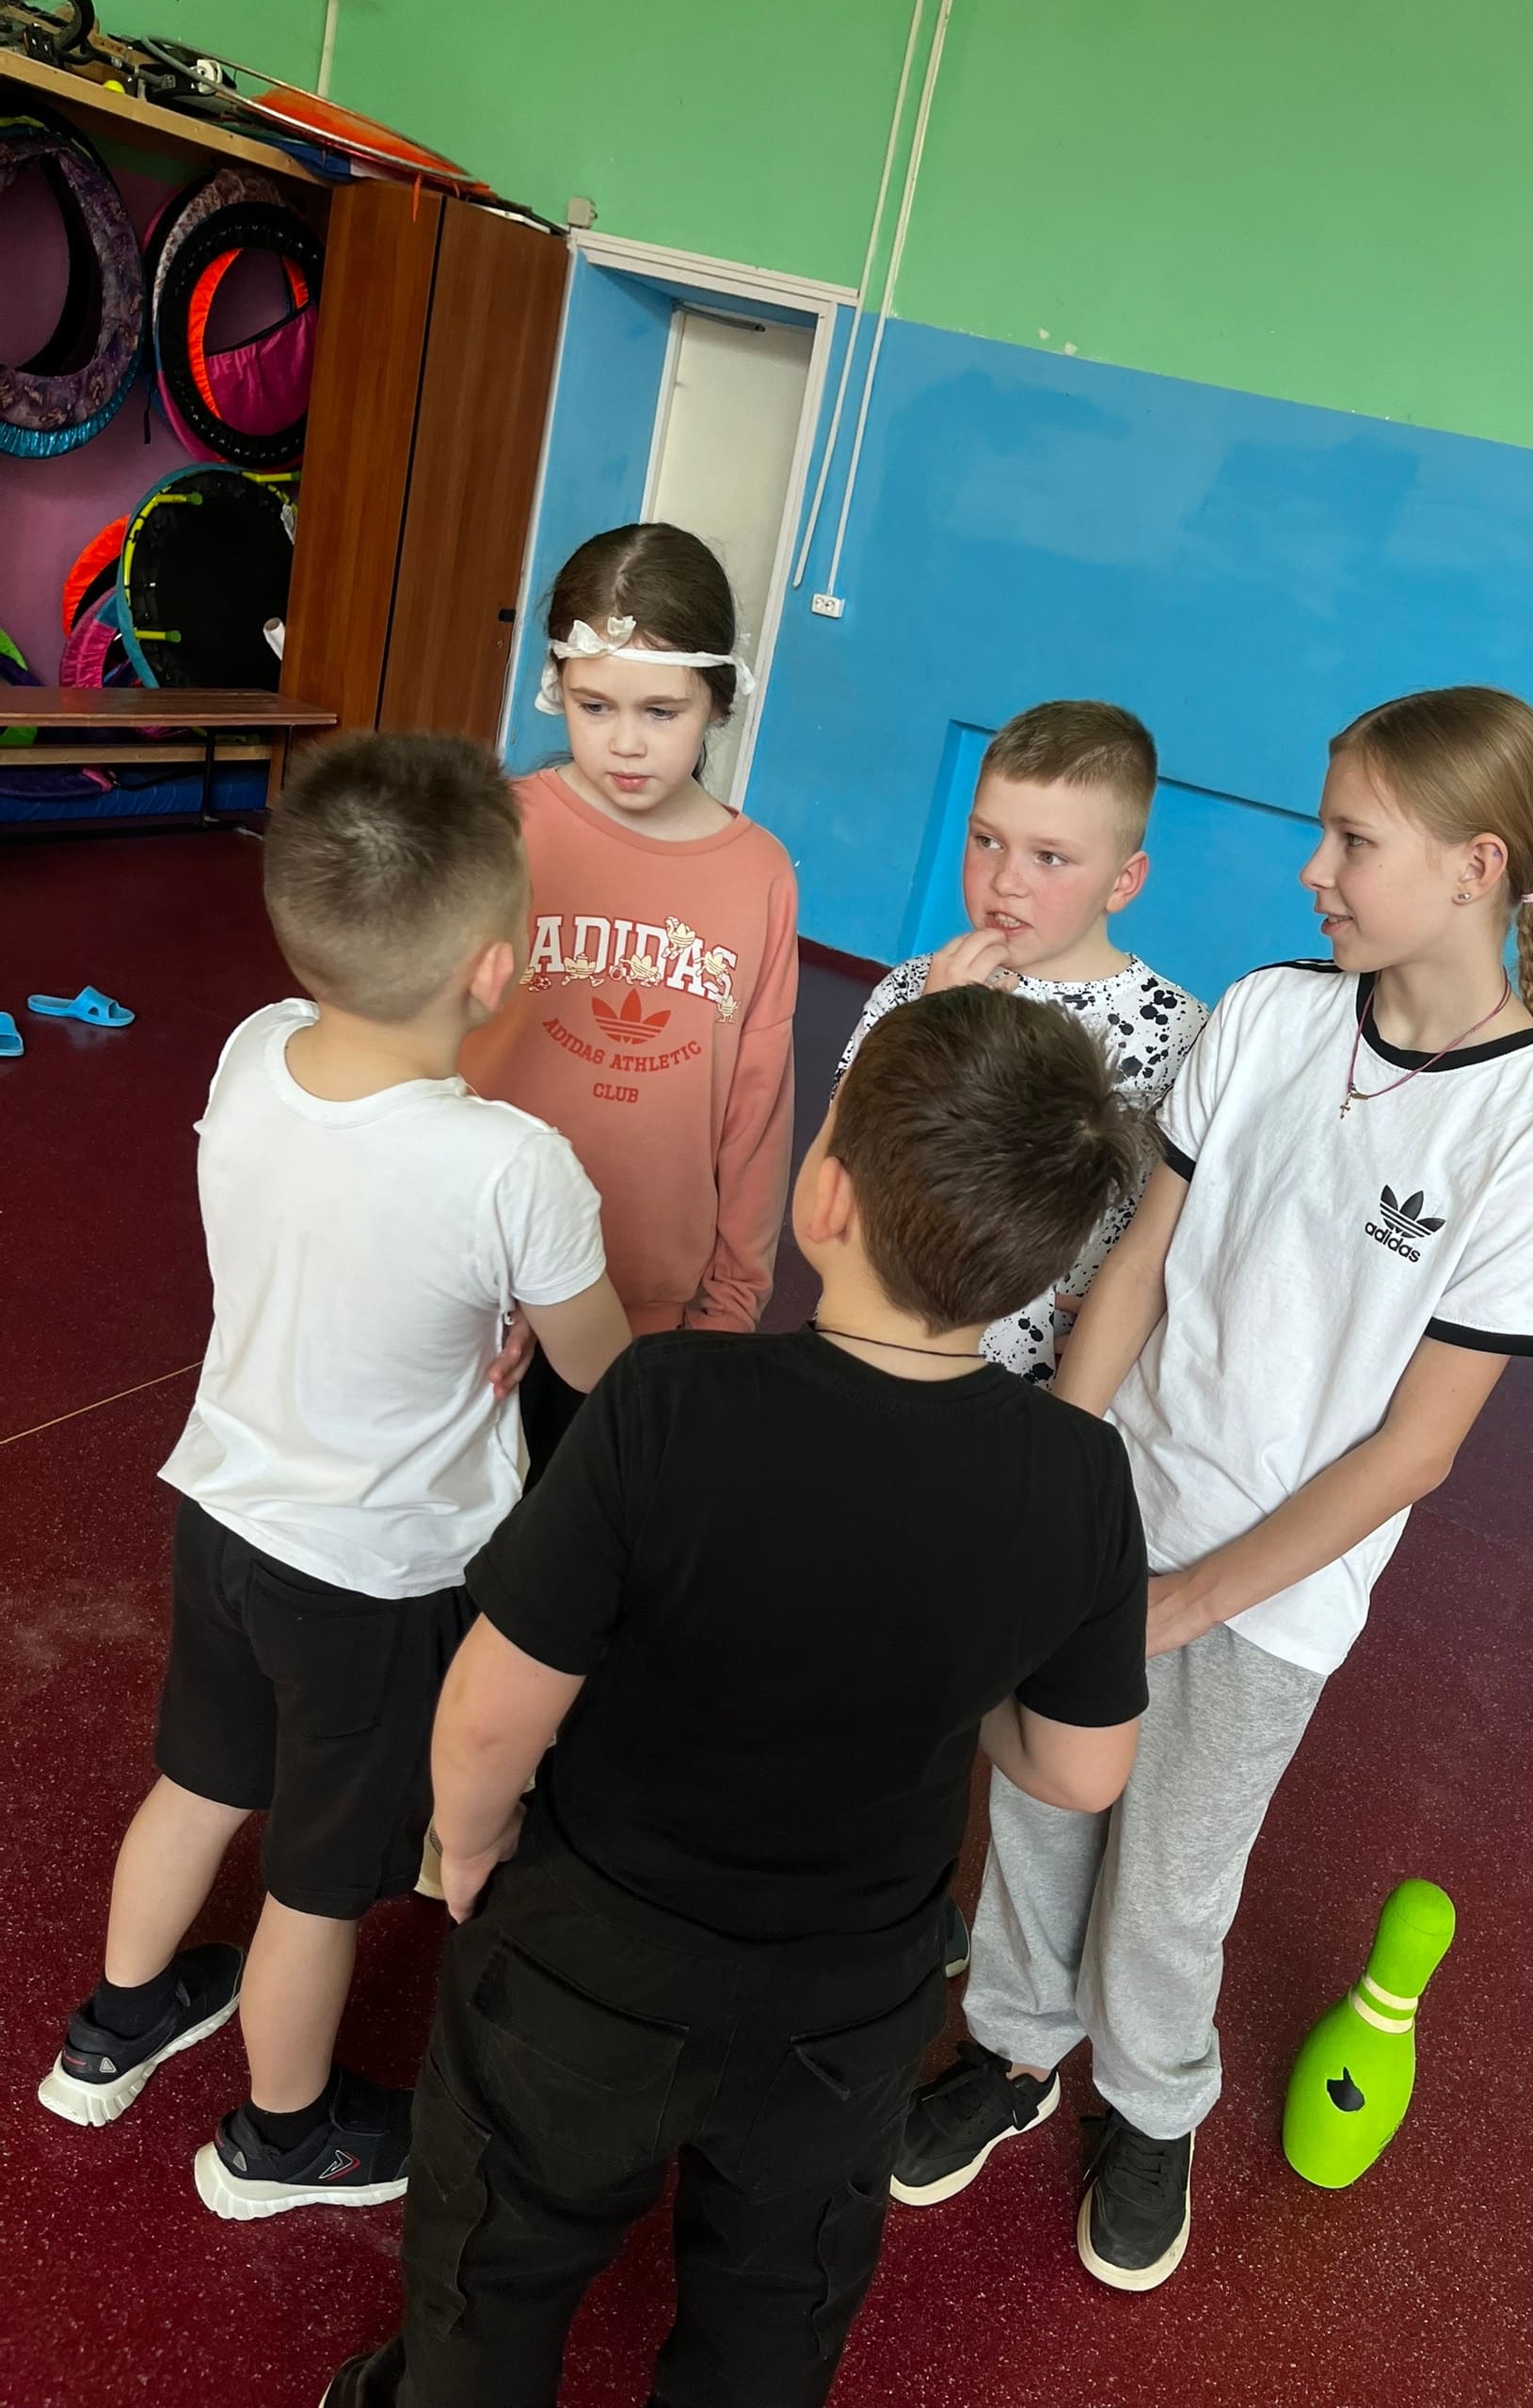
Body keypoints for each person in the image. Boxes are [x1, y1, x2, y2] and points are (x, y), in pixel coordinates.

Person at [325, 984, 1152, 2408]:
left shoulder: (666, 1402)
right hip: (846, 2002)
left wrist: (469, 1836)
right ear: (1040, 1272)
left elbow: (492, 1708)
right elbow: (1084, 1770)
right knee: (776, 2310)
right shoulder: (1080, 1478)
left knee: (493, 2262)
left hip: (590, 1958)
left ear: (826, 1198)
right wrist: (959, 1683)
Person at [892, 685, 1533, 2291]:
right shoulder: (1272, 1016)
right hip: (1121, 1507)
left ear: (1477, 866)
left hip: (1275, 1600)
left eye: (1352, 840)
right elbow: (1139, 1267)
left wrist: (1191, 1600)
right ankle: (1011, 2050)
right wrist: (1066, 1478)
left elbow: (1417, 1447)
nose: (1312, 871)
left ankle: (1153, 2108)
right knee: (1039, 1804)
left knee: (1171, 1879)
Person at [38, 734, 630, 2219]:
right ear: (493, 971)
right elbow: (605, 1368)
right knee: (315, 1880)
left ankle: (112, 2028)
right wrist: (521, 1302)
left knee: (199, 1779)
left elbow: (353, 1226)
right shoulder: (515, 1166)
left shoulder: (254, 1046)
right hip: (372, 1577)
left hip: (224, 1517)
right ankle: (280, 2139)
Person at [463, 521, 799, 1472]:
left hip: (649, 1299)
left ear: (717, 701)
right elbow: (420, 1043)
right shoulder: (502, 830)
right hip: (480, 1276)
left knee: (588, 1534)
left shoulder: (761, 875)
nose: (625, 743)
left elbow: (758, 1103)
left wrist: (732, 1302)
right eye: (594, 705)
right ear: (556, 686)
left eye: (661, 711)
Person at [837, 699, 1206, 1382]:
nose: (1006, 880)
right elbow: (841, 1164)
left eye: (1050, 857)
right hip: (881, 1341)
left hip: (1048, 1383)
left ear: (1123, 882)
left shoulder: (1180, 1033)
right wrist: (931, 1028)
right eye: (987, 841)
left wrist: (1130, 1322)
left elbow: (1187, 1230)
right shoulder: (914, 990)